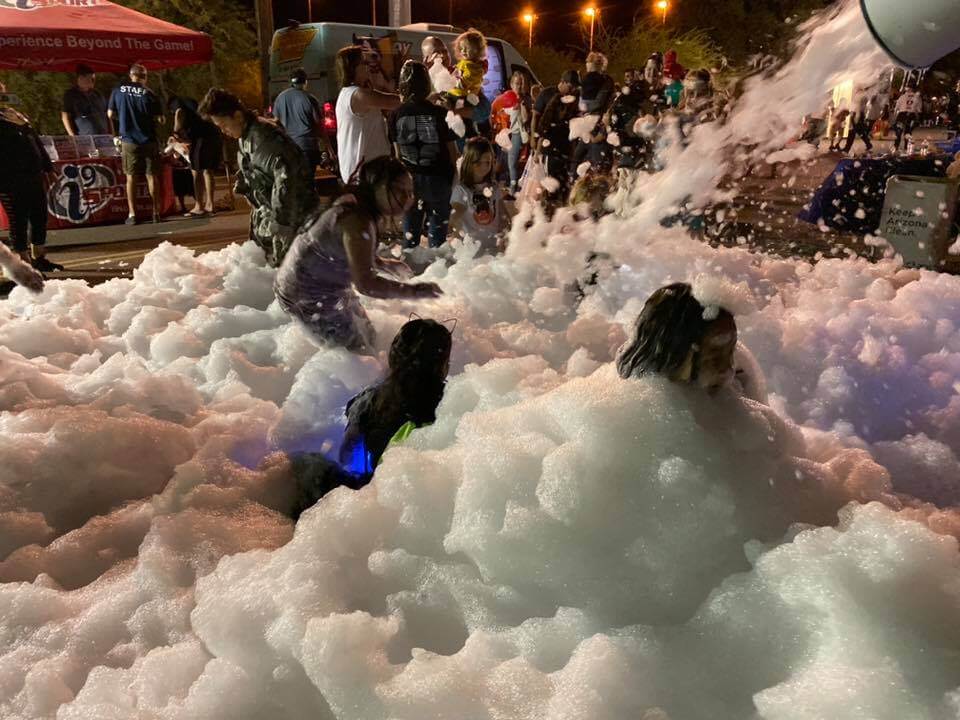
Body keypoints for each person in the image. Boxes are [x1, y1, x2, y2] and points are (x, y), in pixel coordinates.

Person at [274, 155, 441, 353]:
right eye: (398, 190)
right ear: (376, 186)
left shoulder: (358, 206)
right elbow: (366, 285)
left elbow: (347, 252)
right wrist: (413, 292)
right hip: (305, 295)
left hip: (325, 286)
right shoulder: (356, 220)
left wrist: (382, 263)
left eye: (410, 193)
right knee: (358, 355)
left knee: (369, 337)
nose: (406, 199)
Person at [199, 88, 318, 267]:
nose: (223, 131)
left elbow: (288, 181)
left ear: (237, 116)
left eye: (224, 125)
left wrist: (282, 224)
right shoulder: (247, 136)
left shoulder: (264, 139)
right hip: (273, 216)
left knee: (292, 273)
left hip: (292, 219)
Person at [339, 317, 453, 476]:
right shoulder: (450, 404)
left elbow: (346, 457)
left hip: (368, 488)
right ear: (442, 364)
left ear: (393, 355)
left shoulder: (366, 401)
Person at [616, 282, 764, 402]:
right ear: (670, 355)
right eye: (713, 358)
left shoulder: (741, 391)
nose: (727, 370)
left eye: (731, 352)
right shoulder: (633, 413)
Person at [390, 61, 458, 249]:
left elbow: (398, 155)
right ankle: (439, 275)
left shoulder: (396, 114)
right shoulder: (440, 113)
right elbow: (452, 151)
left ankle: (409, 274)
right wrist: (453, 177)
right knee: (438, 238)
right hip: (438, 178)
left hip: (410, 181)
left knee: (410, 235)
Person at [0, 96, 63, 274]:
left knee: (39, 216)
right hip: (9, 179)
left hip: (32, 175)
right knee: (18, 220)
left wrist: (48, 167)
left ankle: (39, 258)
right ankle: (24, 265)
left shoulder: (15, 115)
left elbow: (35, 141)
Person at [107, 63, 164, 225]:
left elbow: (110, 114)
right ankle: (155, 212)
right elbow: (161, 119)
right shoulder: (150, 94)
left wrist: (123, 120)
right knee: (151, 176)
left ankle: (132, 214)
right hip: (149, 140)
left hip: (128, 140)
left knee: (130, 177)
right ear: (144, 77)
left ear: (130, 75)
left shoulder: (118, 90)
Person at [335, 45, 400, 184]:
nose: (368, 67)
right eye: (364, 63)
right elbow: (394, 102)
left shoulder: (351, 92)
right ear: (352, 68)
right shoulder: (358, 95)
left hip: (370, 170)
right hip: (363, 173)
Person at [450, 137, 508, 253]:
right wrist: (455, 236)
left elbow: (503, 214)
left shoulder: (494, 187)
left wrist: (504, 235)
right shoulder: (462, 190)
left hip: (493, 247)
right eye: (478, 163)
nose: (484, 167)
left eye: (487, 162)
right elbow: (455, 218)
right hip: (471, 249)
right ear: (468, 162)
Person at [169, 96, 222, 217]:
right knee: (208, 171)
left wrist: (175, 133)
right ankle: (210, 204)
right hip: (214, 136)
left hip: (201, 138)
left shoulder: (177, 105)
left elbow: (179, 113)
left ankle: (199, 206)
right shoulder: (193, 104)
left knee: (196, 171)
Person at [272, 67, 324, 173]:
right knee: (308, 182)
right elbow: (319, 127)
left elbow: (276, 122)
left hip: (289, 148)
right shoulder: (310, 99)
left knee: (295, 182)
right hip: (308, 147)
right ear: (305, 81)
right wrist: (329, 150)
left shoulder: (280, 98)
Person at [532, 70, 580, 150]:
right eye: (570, 87)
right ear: (563, 82)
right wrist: (533, 138)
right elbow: (535, 116)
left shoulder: (572, 99)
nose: (572, 90)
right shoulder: (546, 93)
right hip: (545, 140)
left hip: (561, 142)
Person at [502, 71, 532, 195]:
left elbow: (525, 119)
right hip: (506, 133)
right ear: (511, 84)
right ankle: (510, 184)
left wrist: (521, 105)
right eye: (516, 83)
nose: (518, 86)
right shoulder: (507, 97)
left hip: (517, 134)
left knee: (512, 162)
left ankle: (513, 188)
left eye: (520, 84)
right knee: (505, 161)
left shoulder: (525, 99)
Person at [61, 64, 110, 137]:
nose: (93, 82)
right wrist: (72, 136)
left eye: (94, 79)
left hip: (103, 136)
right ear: (81, 78)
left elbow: (107, 115)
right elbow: (65, 116)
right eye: (91, 79)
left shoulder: (97, 94)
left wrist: (112, 134)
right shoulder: (71, 95)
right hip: (84, 138)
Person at [449, 29, 487, 103]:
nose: (463, 51)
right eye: (462, 48)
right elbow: (457, 70)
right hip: (456, 94)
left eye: (467, 48)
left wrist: (452, 81)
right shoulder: (465, 62)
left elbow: (464, 83)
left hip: (462, 97)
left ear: (477, 49)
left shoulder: (474, 68)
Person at [842, 87, 880, 155]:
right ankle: (869, 145)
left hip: (856, 115)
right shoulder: (863, 96)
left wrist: (856, 117)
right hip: (857, 115)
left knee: (852, 132)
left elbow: (858, 107)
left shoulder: (860, 96)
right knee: (860, 132)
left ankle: (847, 149)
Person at [893, 83, 923, 153]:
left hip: (902, 115)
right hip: (911, 115)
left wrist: (896, 117)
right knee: (908, 132)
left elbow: (896, 108)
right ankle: (906, 147)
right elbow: (919, 110)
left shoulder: (902, 96)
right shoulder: (917, 97)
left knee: (898, 132)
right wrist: (917, 118)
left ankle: (896, 146)